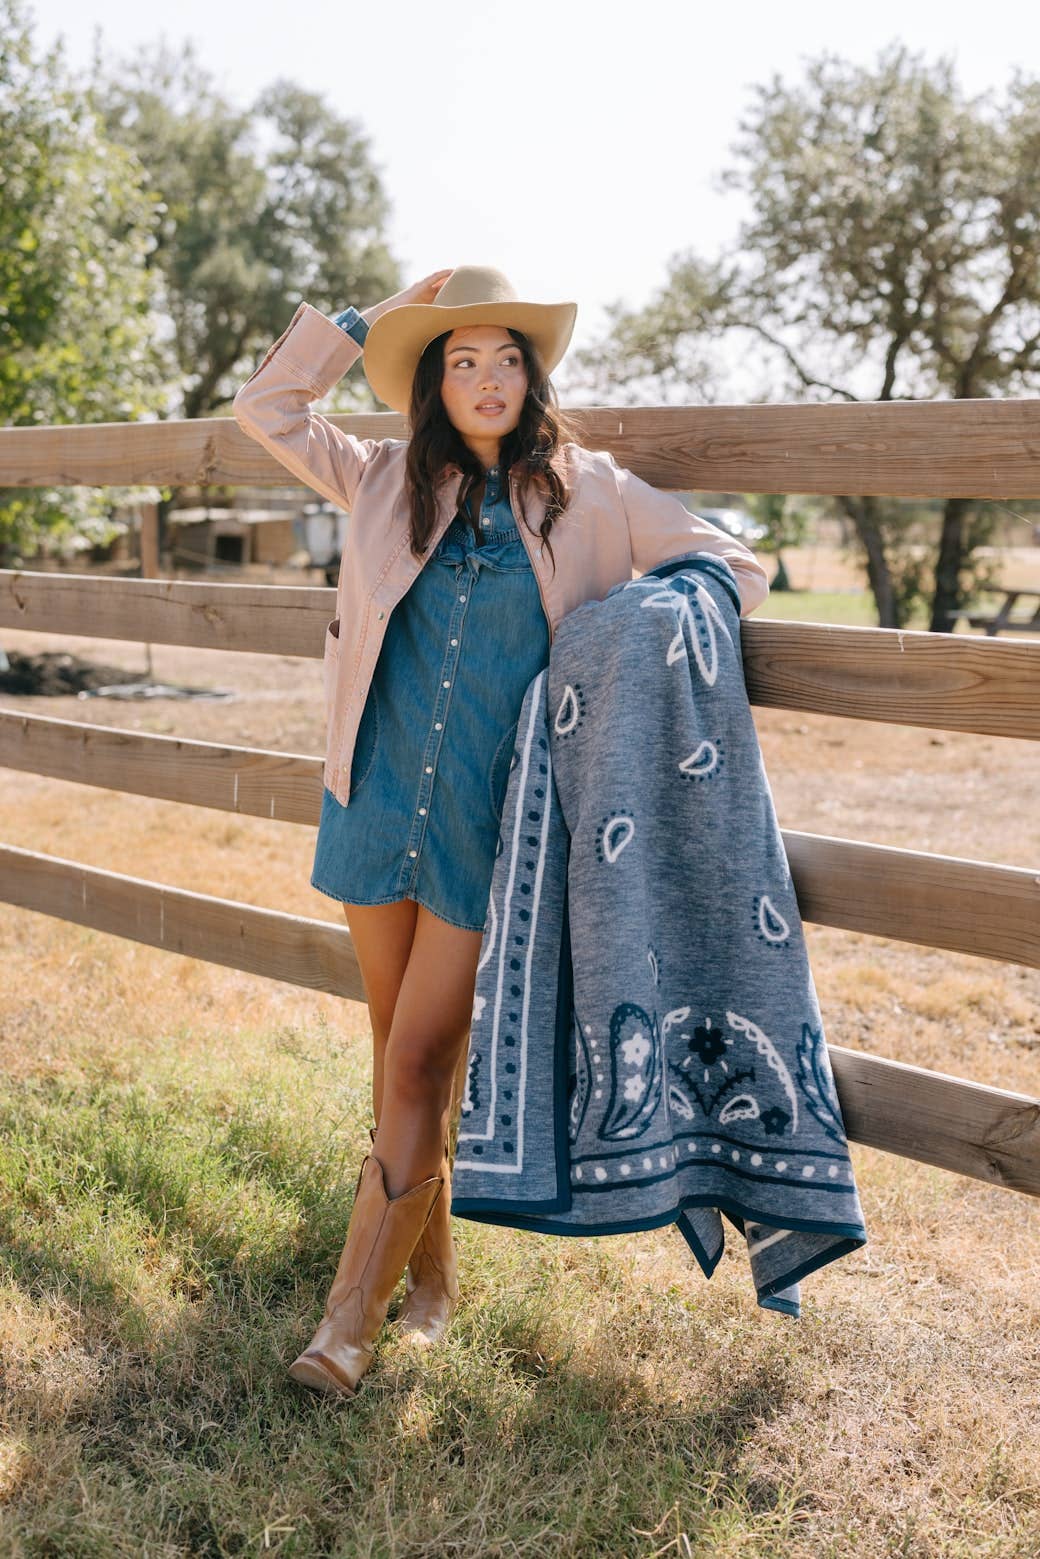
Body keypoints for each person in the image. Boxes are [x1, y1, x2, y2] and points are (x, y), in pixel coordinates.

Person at [232, 264, 770, 1399]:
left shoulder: (592, 491)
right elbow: (267, 408)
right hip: (374, 799)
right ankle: (429, 1284)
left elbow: (733, 565)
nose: (486, 379)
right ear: (433, 380)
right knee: (394, 1056)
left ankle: (344, 1323)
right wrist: (372, 319)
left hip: (498, 824)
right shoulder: (378, 475)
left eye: (506, 357)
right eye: (461, 359)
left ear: (534, 377)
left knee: (424, 1054)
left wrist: (633, 626)